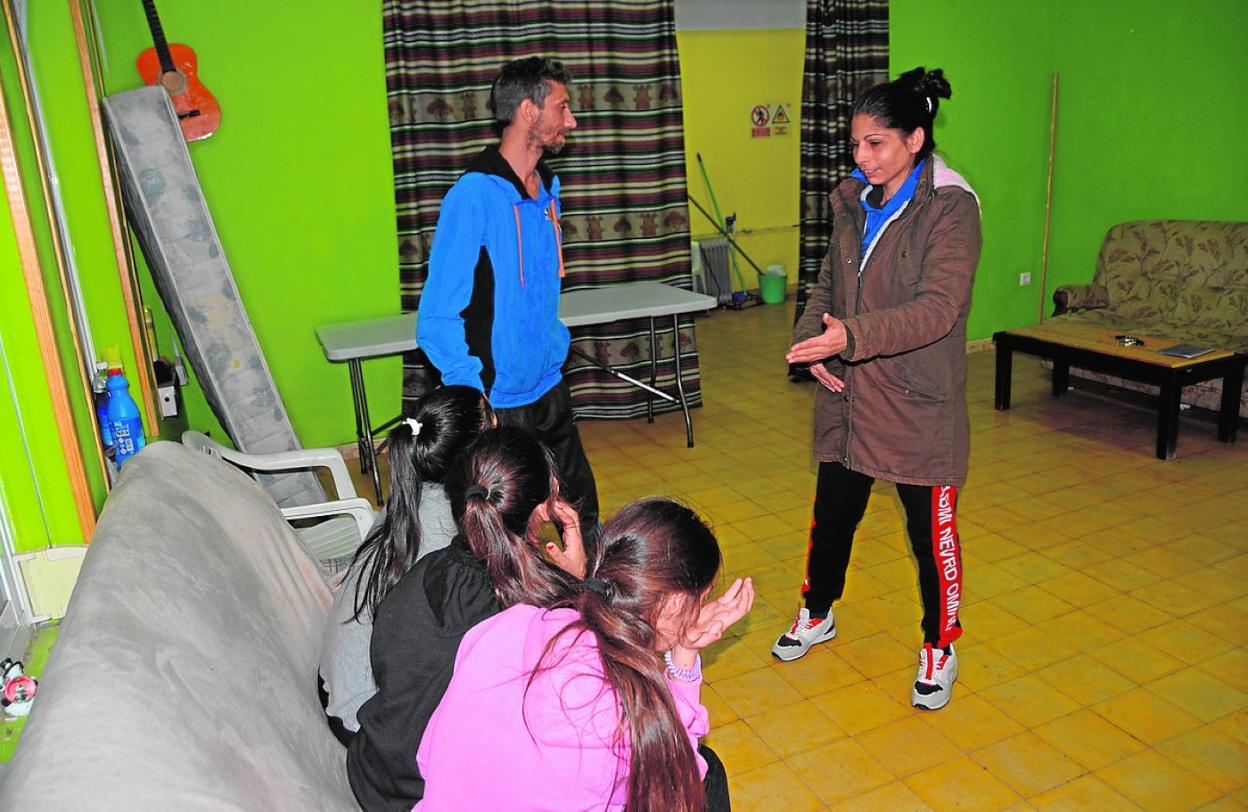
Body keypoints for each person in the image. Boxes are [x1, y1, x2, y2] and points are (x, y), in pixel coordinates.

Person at [771, 67, 981, 712]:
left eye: (876, 144)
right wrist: (813, 342)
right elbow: (829, 287)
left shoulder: (950, 207)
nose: (860, 158)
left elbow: (937, 309)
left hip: (919, 402)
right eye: (856, 145)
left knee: (931, 540)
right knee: (832, 518)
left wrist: (847, 337)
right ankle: (818, 611)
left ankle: (939, 648)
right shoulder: (857, 201)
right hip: (850, 392)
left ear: (915, 139)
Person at [416, 498, 753, 811]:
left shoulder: (513, 622)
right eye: (702, 598)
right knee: (710, 777)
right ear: (676, 604)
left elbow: (428, 758)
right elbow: (678, 783)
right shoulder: (625, 710)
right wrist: (684, 659)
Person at [347, 427, 587, 810]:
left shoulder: (426, 568)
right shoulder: (535, 615)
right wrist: (577, 590)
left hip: (374, 771)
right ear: (544, 509)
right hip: (426, 795)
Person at [417, 55, 600, 539]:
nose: (571, 121)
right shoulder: (473, 195)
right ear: (527, 111)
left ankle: (594, 609)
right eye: (562, 107)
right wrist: (473, 395)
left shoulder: (545, 193)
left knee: (582, 515)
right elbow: (436, 318)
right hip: (498, 401)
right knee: (504, 538)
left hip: (549, 388)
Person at [318, 385, 494, 742]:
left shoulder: (411, 499)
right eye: (494, 425)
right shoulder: (450, 537)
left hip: (339, 686)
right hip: (368, 720)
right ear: (478, 457)